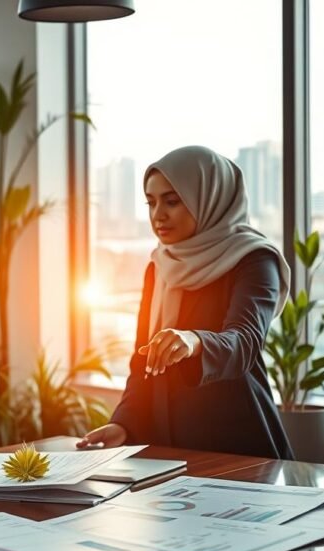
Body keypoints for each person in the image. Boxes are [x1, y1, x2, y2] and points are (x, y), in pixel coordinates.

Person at [78, 145, 294, 459]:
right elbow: (143, 361)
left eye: (172, 201)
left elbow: (245, 342)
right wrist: (123, 424)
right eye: (151, 203)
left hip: (238, 448)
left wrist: (194, 341)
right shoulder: (159, 266)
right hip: (165, 449)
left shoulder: (254, 260)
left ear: (208, 198)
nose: (158, 215)